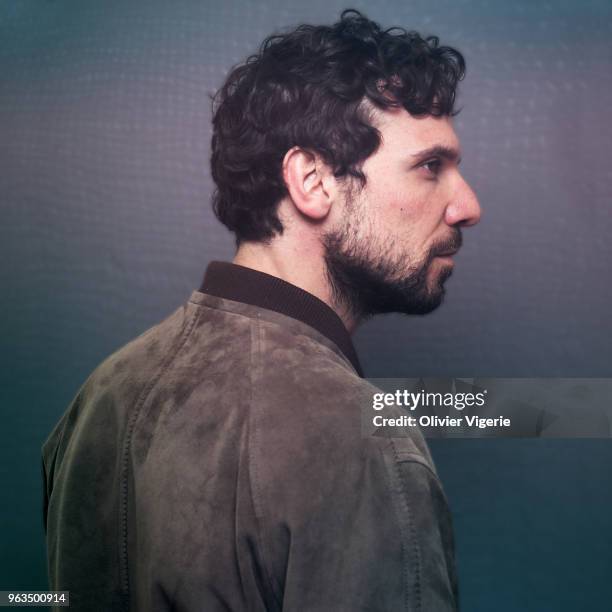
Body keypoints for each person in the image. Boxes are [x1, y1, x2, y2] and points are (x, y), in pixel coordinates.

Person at [42, 9, 480, 611]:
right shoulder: (365, 440)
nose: (467, 206)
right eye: (431, 166)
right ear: (313, 180)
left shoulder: (102, 394)